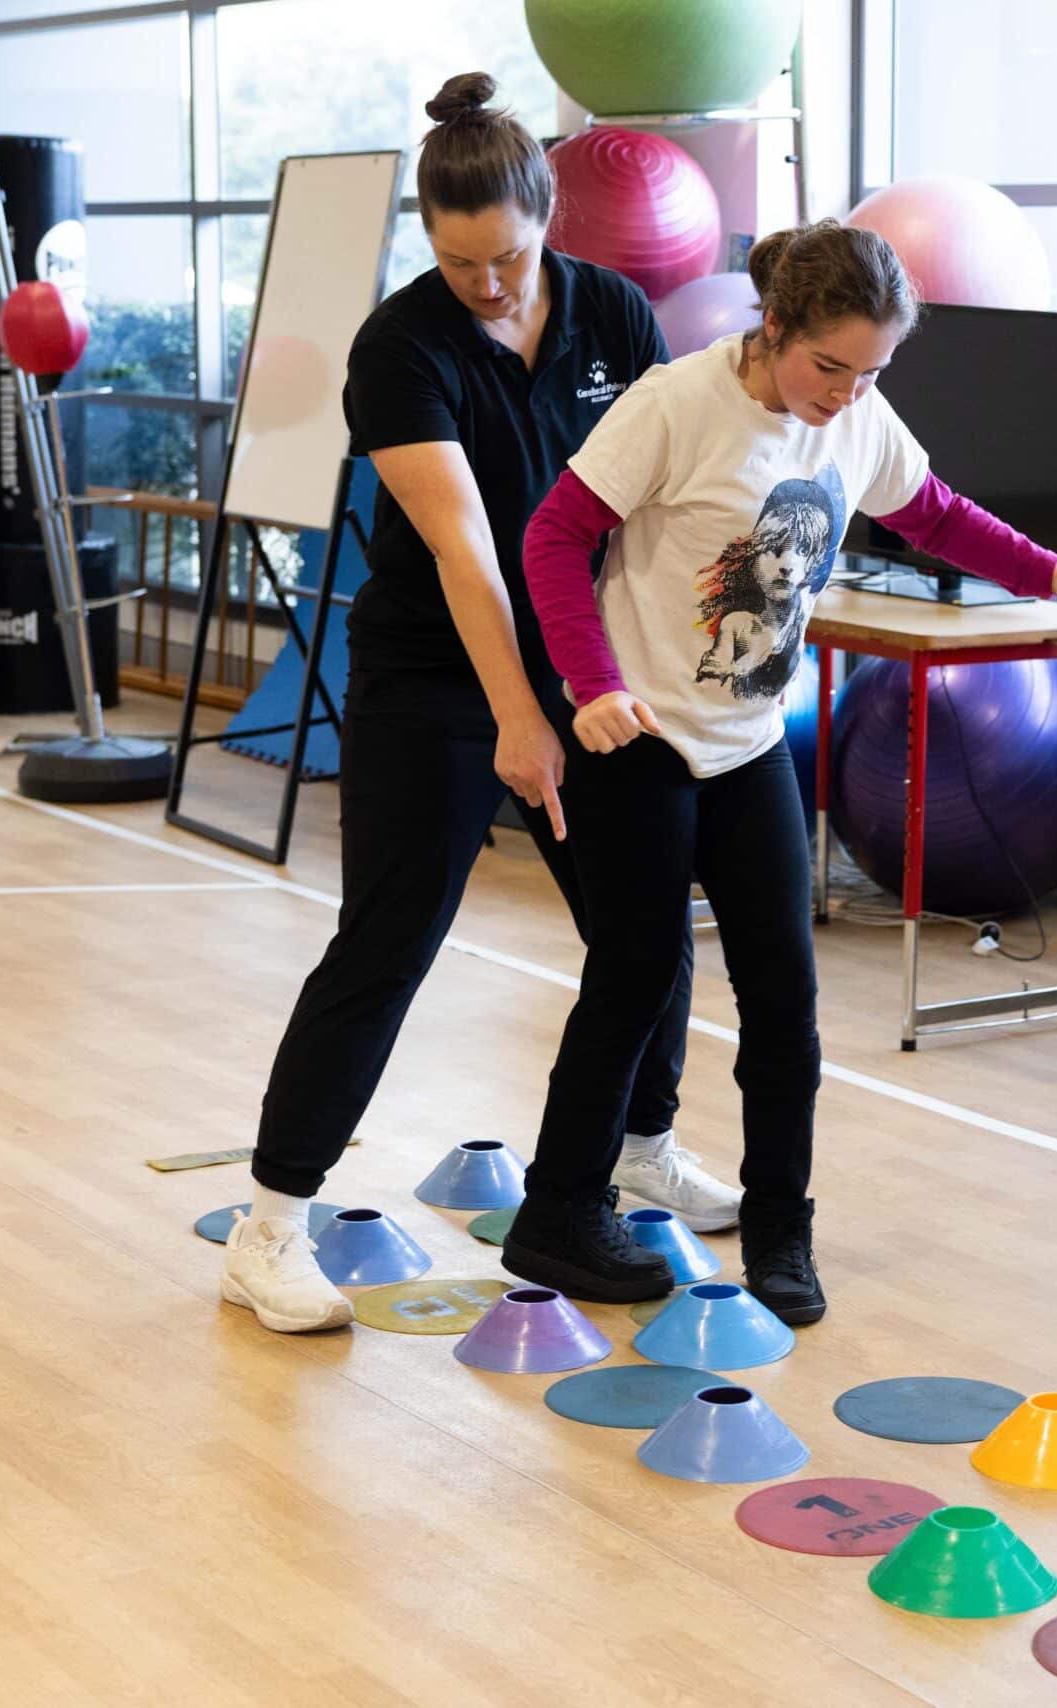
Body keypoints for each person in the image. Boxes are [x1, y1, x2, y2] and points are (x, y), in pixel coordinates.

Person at [511, 219, 1057, 1323]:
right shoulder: (676, 405)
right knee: (632, 980)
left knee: (785, 1002)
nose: (848, 393)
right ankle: (558, 1211)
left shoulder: (854, 415)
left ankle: (778, 1226)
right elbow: (550, 537)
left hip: (747, 744)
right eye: (830, 366)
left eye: (872, 372)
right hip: (641, 739)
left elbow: (937, 515)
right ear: (773, 329)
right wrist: (592, 682)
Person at [218, 73, 726, 1335]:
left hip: (585, 658)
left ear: (546, 214)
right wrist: (518, 718)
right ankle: (270, 1222)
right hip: (433, 679)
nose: (486, 283)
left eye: (501, 256)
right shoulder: (401, 347)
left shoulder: (612, 310)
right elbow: (467, 556)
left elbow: (643, 509)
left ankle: (636, 1146)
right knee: (390, 939)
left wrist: (630, 677)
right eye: (457, 262)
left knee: (643, 920)